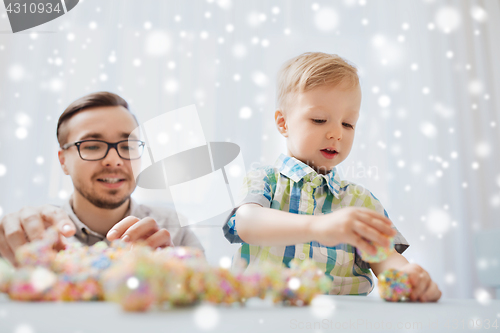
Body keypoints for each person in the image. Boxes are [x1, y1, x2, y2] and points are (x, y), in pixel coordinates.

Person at [223, 52, 441, 302]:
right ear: (283, 123)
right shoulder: (265, 179)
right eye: (319, 120)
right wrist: (318, 227)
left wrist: (410, 279)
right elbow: (247, 223)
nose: (337, 133)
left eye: (348, 124)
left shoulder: (361, 202)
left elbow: (388, 262)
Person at [0, 92, 203, 266]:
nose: (114, 160)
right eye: (92, 146)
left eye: (127, 146)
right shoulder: (31, 237)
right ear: (63, 162)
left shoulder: (173, 231)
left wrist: (176, 275)